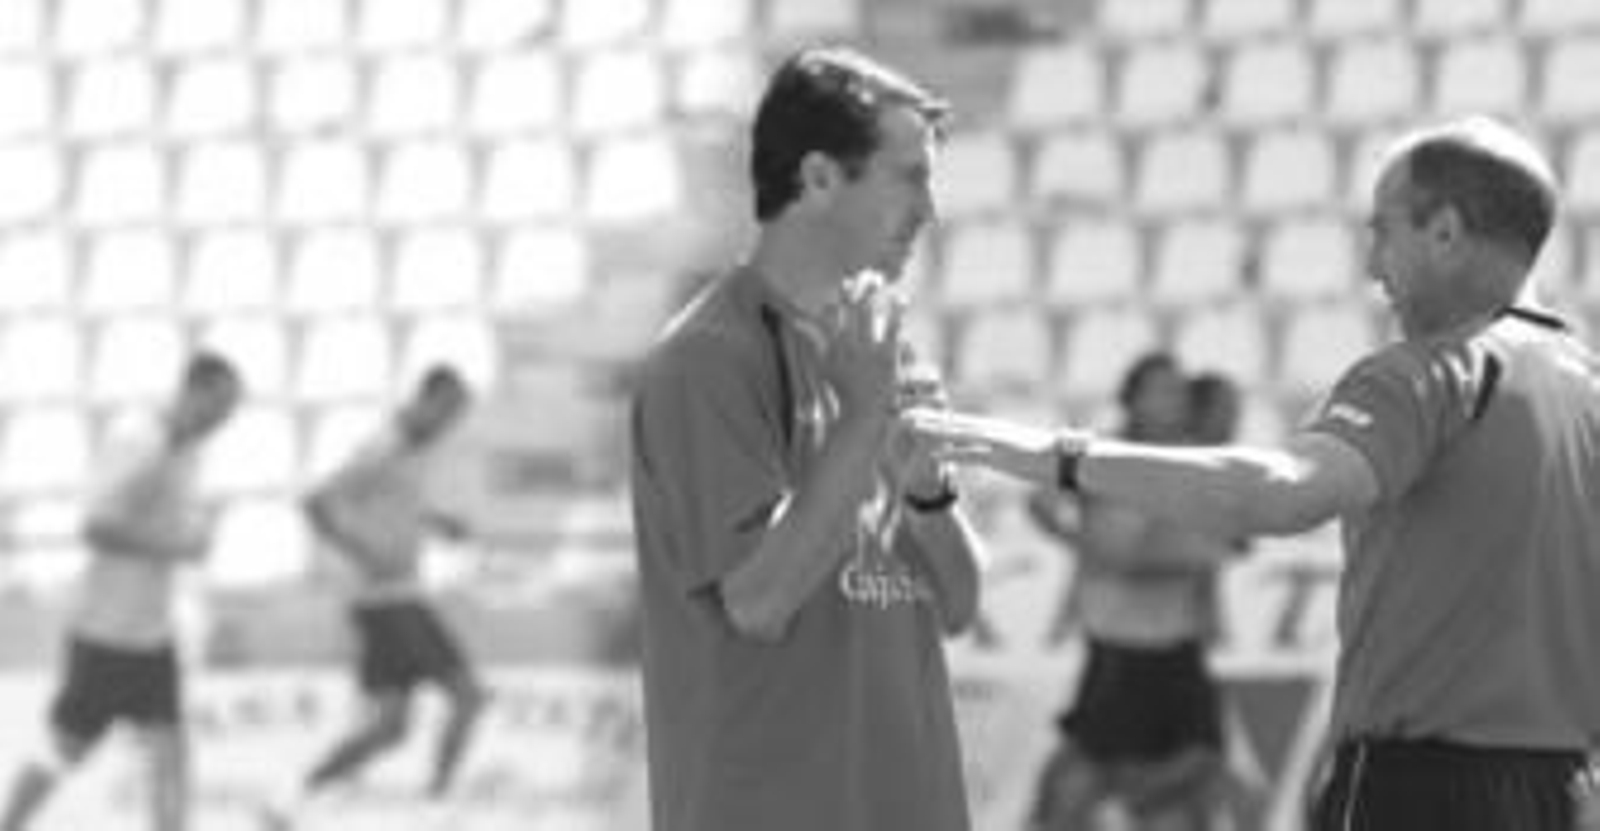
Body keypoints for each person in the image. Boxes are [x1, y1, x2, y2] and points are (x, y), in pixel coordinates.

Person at [913, 116, 1600, 830]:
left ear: (1446, 232)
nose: (1371, 267)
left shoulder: (1431, 371)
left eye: (1383, 231)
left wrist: (1052, 455)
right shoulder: (1586, 385)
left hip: (1424, 788)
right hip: (1565, 788)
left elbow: (1278, 494)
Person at [628, 47, 986, 831]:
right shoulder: (708, 360)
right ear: (819, 179)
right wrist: (862, 422)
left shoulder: (875, 346)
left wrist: (927, 489)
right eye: (909, 176)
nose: (929, 208)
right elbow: (758, 600)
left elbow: (959, 603)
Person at [0, 352, 242, 831]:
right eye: (218, 406)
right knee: (67, 747)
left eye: (230, 411)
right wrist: (179, 547)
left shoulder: (188, 451)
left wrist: (192, 536)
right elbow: (96, 526)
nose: (223, 421)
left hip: (151, 633)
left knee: (171, 754)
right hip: (105, 631)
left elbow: (164, 523)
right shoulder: (138, 441)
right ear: (191, 391)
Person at [1024, 355, 1246, 831]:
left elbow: (1224, 544)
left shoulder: (1197, 461)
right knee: (1074, 786)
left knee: (1193, 779)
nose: (1172, 400)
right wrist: (1087, 545)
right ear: (1132, 398)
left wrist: (1136, 556)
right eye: (1159, 389)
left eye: (1178, 391)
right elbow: (1039, 500)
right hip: (1117, 647)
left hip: (1178, 648)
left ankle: (1131, 805)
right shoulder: (1099, 454)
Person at [265, 366, 487, 827]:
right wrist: (362, 550)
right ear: (427, 399)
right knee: (467, 695)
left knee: (390, 727)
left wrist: (438, 522)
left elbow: (394, 501)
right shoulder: (383, 445)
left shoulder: (413, 451)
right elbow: (317, 500)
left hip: (387, 599)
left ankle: (294, 792)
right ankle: (437, 805)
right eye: (447, 412)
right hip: (389, 599)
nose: (449, 425)